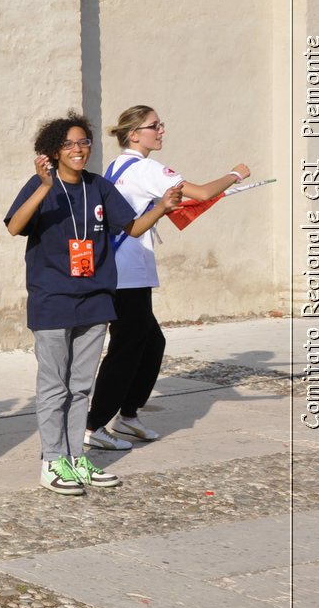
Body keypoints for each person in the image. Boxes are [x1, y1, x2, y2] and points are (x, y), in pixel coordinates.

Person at [4, 112, 181, 496]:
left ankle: (75, 458)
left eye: (84, 142)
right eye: (69, 144)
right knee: (55, 385)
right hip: (53, 300)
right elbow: (15, 226)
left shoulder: (99, 187)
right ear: (53, 150)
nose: (79, 149)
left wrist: (163, 206)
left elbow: (131, 228)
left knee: (81, 386)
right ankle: (52, 461)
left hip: (96, 298)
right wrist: (42, 186)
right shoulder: (41, 186)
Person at [84, 106, 251, 450]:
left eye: (161, 124)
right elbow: (202, 192)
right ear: (134, 134)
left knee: (151, 342)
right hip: (129, 270)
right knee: (127, 348)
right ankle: (95, 423)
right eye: (154, 126)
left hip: (124, 268)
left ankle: (128, 415)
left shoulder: (120, 166)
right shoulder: (147, 167)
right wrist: (235, 173)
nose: (161, 131)